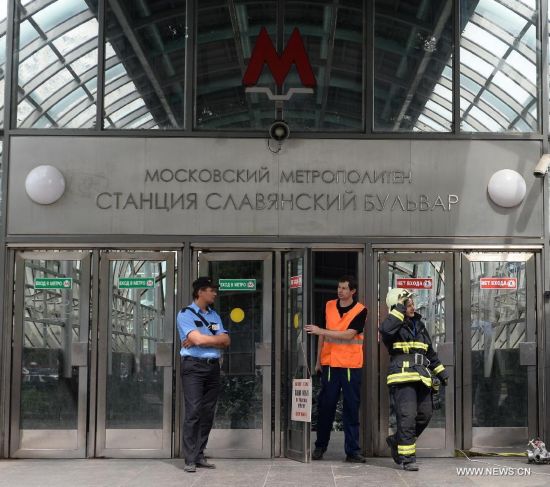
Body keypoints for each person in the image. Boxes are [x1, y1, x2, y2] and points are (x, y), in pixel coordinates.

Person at [379, 288, 449, 471]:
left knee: (425, 415)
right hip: (402, 378)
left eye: (411, 304)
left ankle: (396, 441)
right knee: (407, 418)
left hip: (422, 377)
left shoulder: (419, 325)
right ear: (398, 306)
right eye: (407, 304)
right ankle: (407, 458)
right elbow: (384, 330)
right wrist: (400, 309)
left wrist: (442, 373)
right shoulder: (392, 326)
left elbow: (430, 353)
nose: (412, 307)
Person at [305, 276, 367, 463]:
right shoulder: (329, 306)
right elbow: (321, 337)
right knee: (326, 408)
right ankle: (320, 447)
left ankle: (352, 451)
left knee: (351, 409)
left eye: (344, 288)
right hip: (330, 364)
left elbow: (349, 335)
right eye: (339, 287)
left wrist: (320, 331)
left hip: (350, 366)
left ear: (352, 291)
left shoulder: (361, 310)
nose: (340, 291)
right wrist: (317, 361)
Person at [177, 276, 230, 473]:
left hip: (212, 367)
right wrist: (210, 339)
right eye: (211, 290)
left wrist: (202, 339)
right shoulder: (185, 314)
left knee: (208, 413)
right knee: (193, 412)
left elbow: (226, 341)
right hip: (194, 368)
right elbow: (197, 341)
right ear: (200, 292)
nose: (215, 293)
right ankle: (189, 459)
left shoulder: (214, 315)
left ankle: (199, 455)